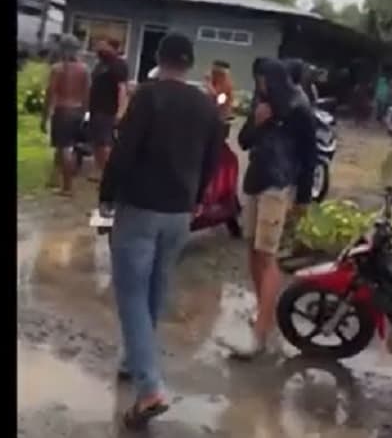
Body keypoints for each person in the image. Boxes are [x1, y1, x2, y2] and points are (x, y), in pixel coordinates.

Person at [99, 32, 224, 428]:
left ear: (159, 57)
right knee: (155, 288)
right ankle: (134, 360)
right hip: (179, 211)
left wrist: (106, 196)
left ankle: (150, 387)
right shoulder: (206, 104)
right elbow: (212, 156)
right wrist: (200, 197)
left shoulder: (148, 97)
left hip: (140, 207)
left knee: (132, 294)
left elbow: (124, 150)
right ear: (188, 63)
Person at [231, 58, 316, 359]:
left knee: (267, 255)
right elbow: (242, 141)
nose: (260, 85)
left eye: (263, 79)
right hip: (256, 180)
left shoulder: (298, 108)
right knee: (252, 251)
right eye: (258, 79)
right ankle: (262, 310)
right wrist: (257, 121)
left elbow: (310, 156)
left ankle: (260, 335)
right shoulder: (261, 103)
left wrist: (303, 198)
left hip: (278, 185)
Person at [41, 34, 89, 196]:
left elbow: (51, 92)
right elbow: (87, 94)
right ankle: (56, 179)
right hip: (77, 111)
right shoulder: (84, 69)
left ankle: (67, 187)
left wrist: (45, 116)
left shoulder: (58, 68)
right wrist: (83, 112)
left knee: (64, 149)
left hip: (63, 110)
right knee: (69, 147)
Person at [88, 37, 129, 182]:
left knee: (105, 144)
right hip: (95, 109)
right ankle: (101, 173)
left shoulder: (118, 65)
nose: (99, 48)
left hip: (108, 110)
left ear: (113, 48)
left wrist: (120, 111)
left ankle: (110, 175)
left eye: (103, 45)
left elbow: (122, 89)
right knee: (96, 143)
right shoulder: (101, 64)